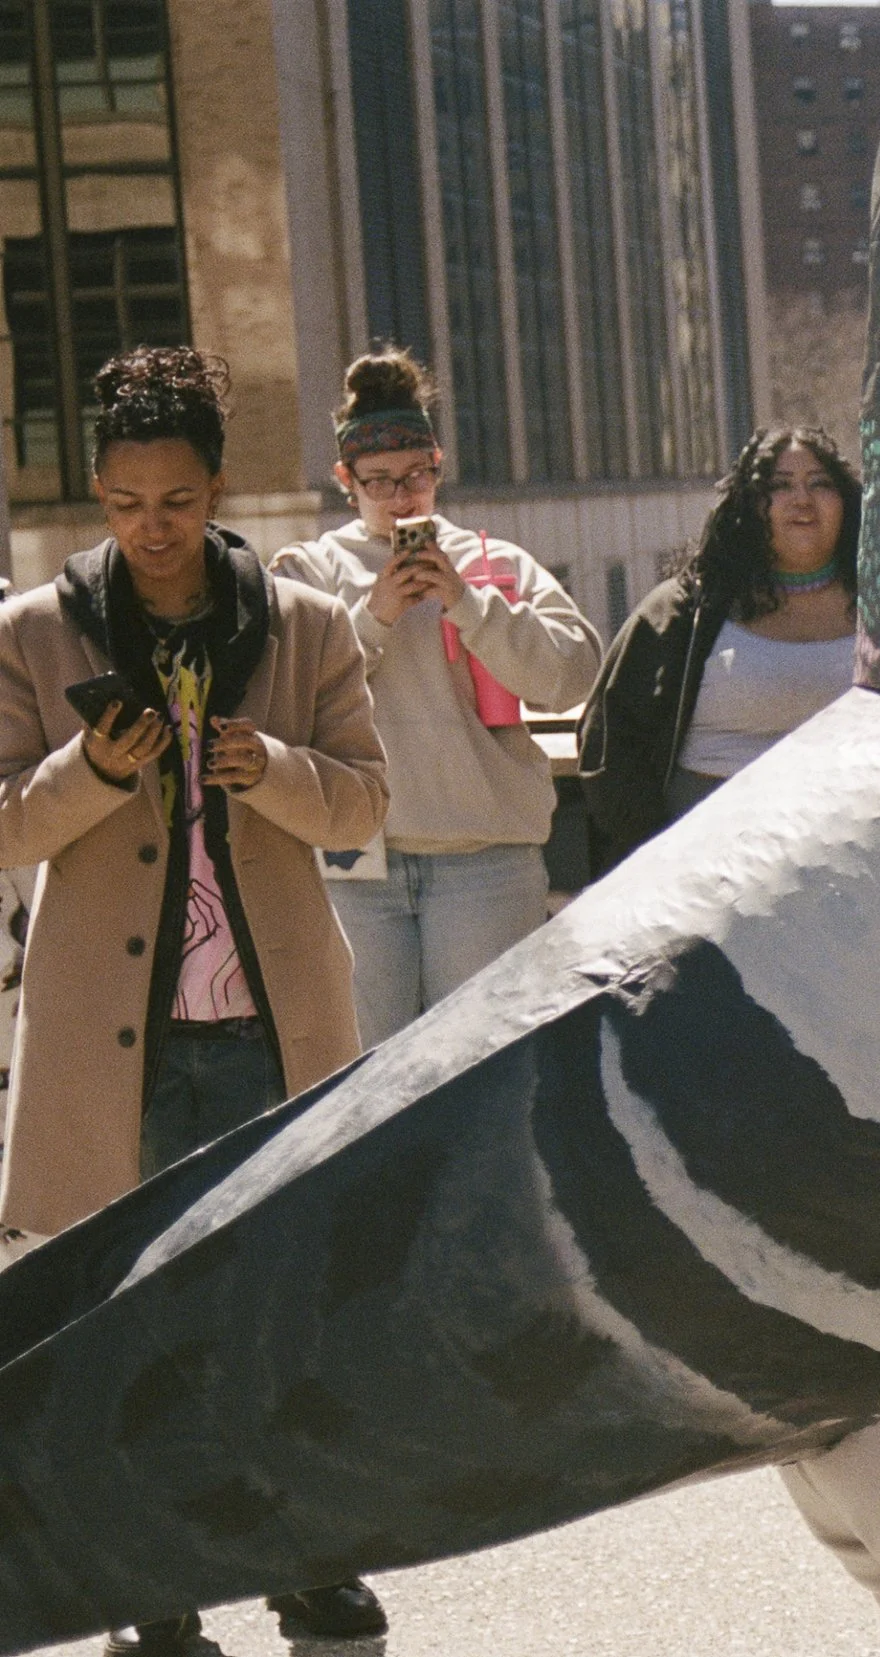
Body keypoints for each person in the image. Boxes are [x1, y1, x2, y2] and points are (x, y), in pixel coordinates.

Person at [0, 347, 391, 1652]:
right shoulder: (34, 637)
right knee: (134, 1327)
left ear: (216, 489)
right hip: (114, 1050)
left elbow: (367, 799)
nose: (151, 531)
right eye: (123, 503)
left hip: (270, 1031)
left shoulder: (307, 626)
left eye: (174, 501)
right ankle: (158, 1591)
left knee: (284, 1315)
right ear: (97, 498)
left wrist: (268, 763)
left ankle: (310, 1562)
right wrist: (88, 770)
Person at [270, 348, 599, 1046]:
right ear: (344, 480)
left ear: (439, 466)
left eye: (416, 476)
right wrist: (375, 612)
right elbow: (285, 700)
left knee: (482, 1075)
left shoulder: (493, 561)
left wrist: (467, 601)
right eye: (379, 481)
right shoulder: (308, 569)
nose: (400, 497)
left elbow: (573, 673)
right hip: (356, 865)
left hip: (486, 856)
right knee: (359, 1085)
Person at [578, 427, 862, 875]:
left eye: (820, 483)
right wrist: (663, 854)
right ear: (751, 505)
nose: (802, 498)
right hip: (709, 878)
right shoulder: (685, 612)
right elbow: (610, 745)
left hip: (854, 868)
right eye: (780, 485)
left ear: (846, 501)